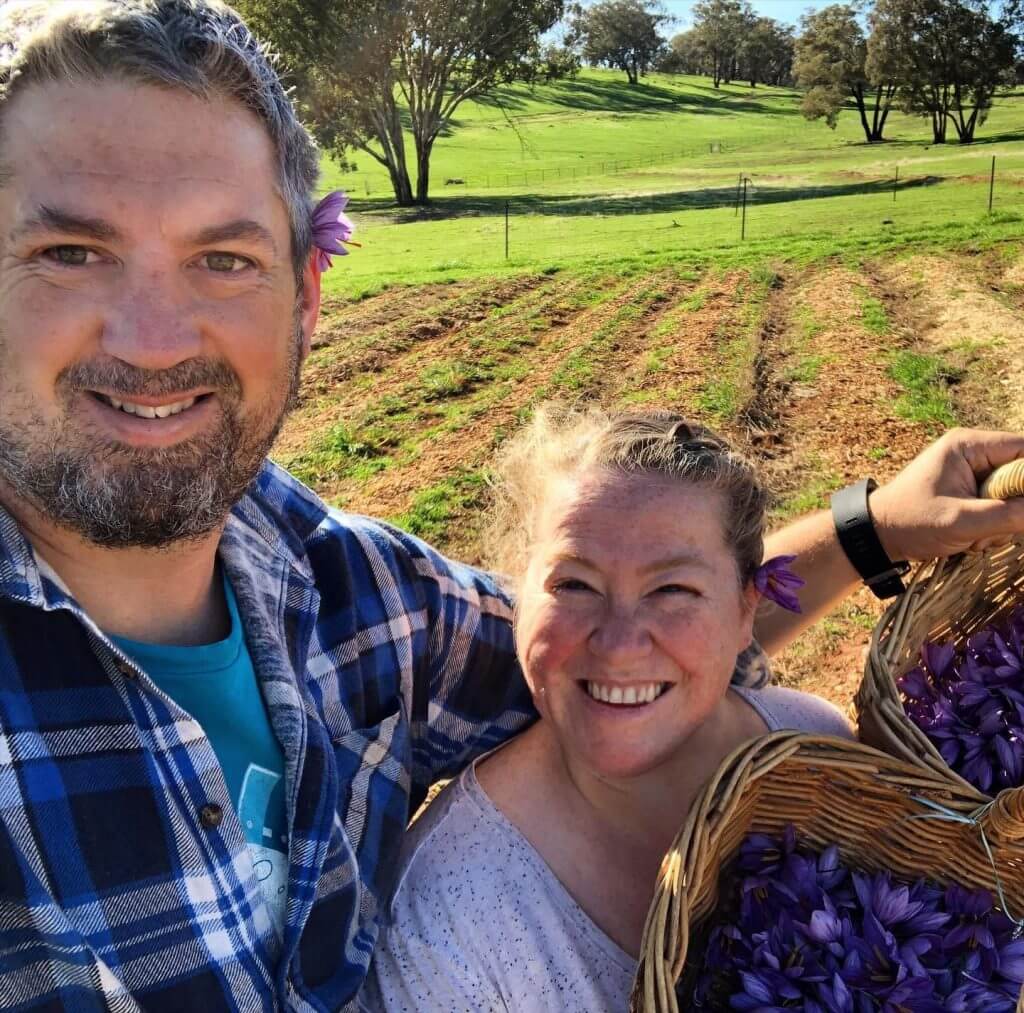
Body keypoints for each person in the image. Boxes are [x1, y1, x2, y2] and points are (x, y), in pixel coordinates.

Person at [0, 2, 1023, 1011]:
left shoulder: (363, 601)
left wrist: (870, 525)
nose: (150, 337)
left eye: (223, 259)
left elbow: (628, 646)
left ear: (306, 293)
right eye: (70, 253)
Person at [363, 408, 854, 1012]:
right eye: (574, 585)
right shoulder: (446, 915)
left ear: (746, 608)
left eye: (673, 590)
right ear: (518, 595)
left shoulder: (820, 752)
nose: (620, 645)